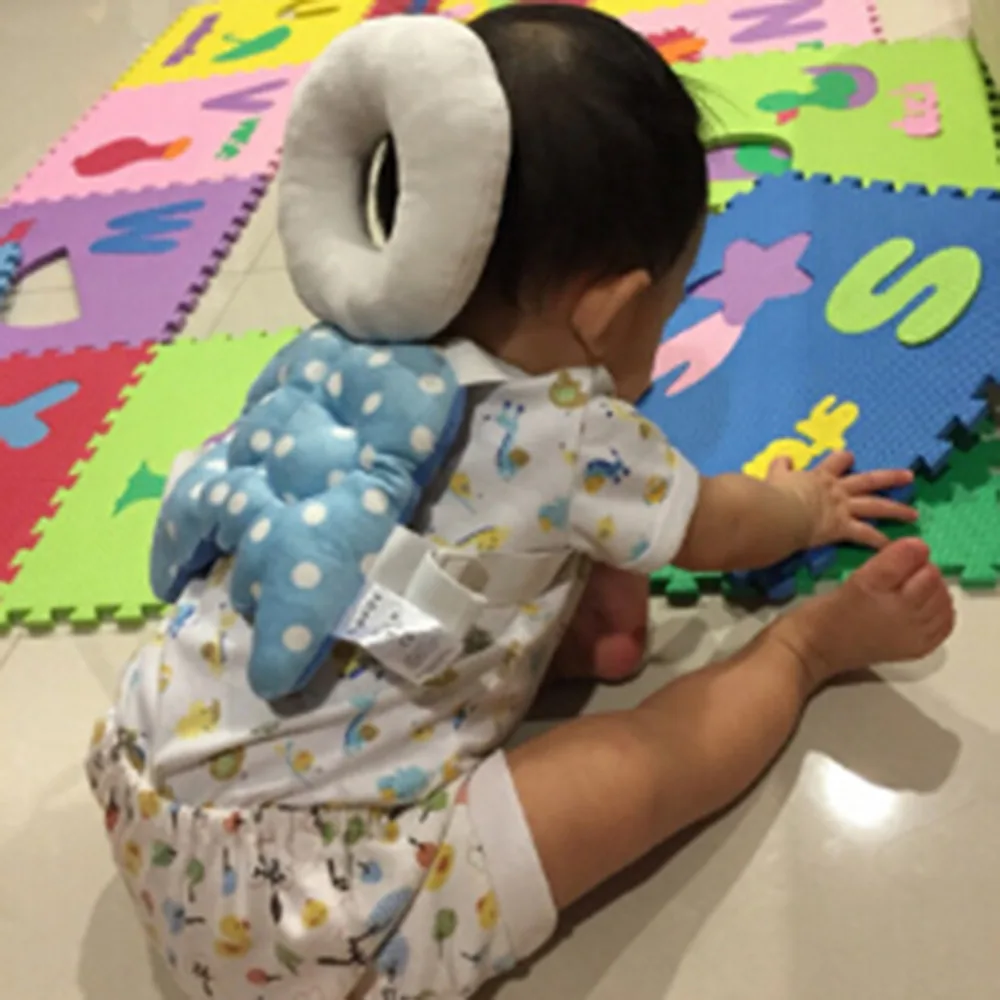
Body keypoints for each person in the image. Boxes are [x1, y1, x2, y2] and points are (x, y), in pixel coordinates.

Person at [85, 6, 955, 1000]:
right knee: (640, 770)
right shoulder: (570, 434)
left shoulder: (330, 361)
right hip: (305, 918)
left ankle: (552, 654)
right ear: (610, 310)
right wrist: (804, 505)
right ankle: (809, 653)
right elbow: (717, 527)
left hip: (139, 772)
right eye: (668, 309)